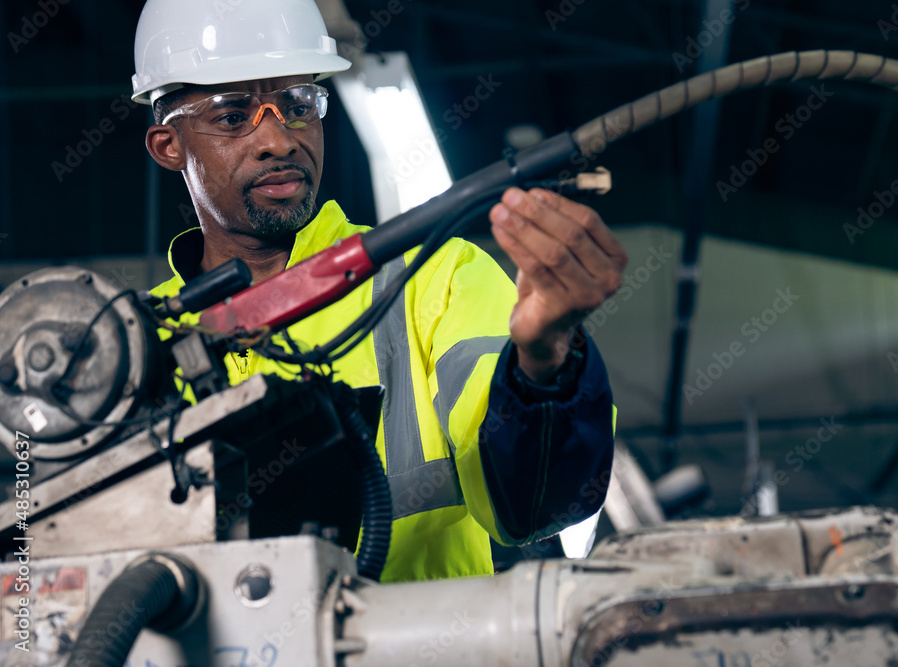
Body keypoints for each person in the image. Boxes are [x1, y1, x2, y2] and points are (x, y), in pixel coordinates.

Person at [136, 0, 627, 582]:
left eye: (297, 104)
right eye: (232, 115)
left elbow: (533, 505)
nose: (278, 139)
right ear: (170, 146)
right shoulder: (136, 346)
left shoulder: (434, 277)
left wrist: (546, 360)